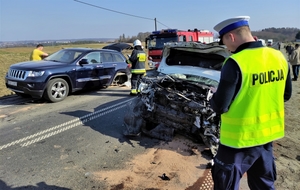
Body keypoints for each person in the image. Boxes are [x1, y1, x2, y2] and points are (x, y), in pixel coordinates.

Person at [209, 16, 292, 190]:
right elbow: (285, 95)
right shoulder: (278, 56)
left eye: (224, 41)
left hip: (238, 142)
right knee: (263, 185)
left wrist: (213, 96)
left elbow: (221, 106)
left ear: (231, 37)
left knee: (226, 184)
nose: (225, 47)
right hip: (266, 139)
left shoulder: (235, 62)